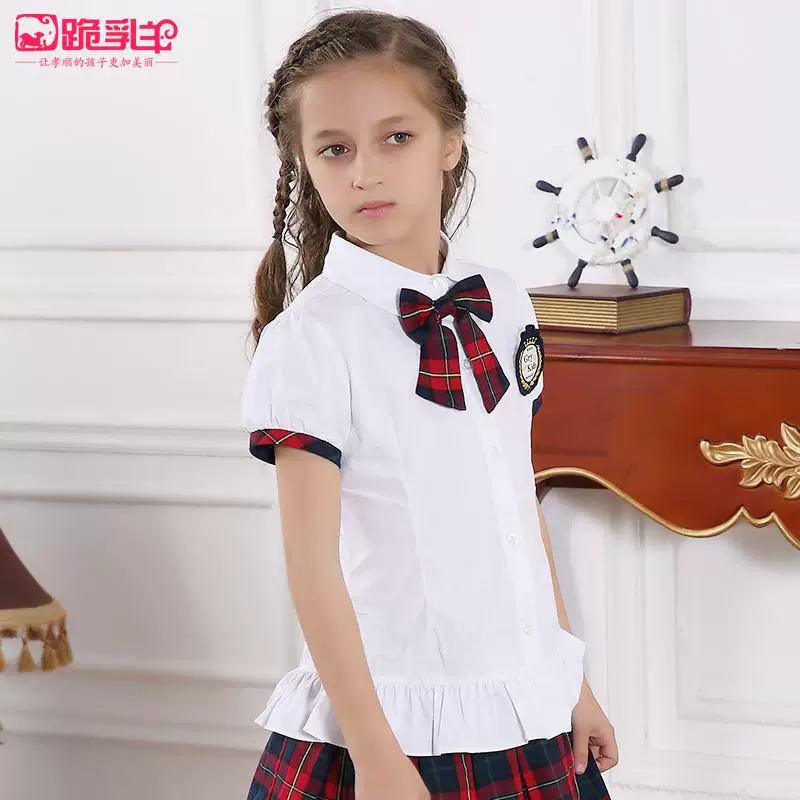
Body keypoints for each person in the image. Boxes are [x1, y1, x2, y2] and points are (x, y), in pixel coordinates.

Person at [241, 9, 618, 799]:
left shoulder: (504, 302)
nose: (364, 173)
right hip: (395, 724)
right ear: (303, 163)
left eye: (396, 138)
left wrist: (568, 682)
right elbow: (312, 568)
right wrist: (377, 756)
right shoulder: (311, 339)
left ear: (451, 141)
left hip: (528, 708)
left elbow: (514, 509)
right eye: (334, 149)